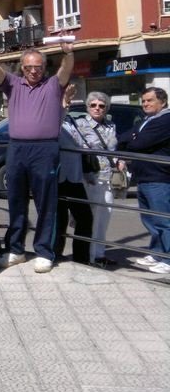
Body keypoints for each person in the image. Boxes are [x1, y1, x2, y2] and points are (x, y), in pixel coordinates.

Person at [0, 29, 73, 273]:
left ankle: (44, 252)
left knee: (46, 203)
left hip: (45, 149)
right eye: (29, 67)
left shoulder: (52, 85)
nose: (34, 71)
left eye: (38, 67)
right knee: (16, 201)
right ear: (22, 67)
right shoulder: (13, 84)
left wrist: (68, 53)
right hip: (17, 148)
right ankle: (15, 250)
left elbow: (65, 71)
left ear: (44, 68)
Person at [119, 87, 170, 275]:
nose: (145, 104)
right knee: (149, 219)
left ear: (162, 102)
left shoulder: (166, 120)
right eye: (144, 101)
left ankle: (168, 258)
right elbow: (124, 138)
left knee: (163, 220)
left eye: (150, 100)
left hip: (159, 177)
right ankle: (157, 252)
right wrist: (134, 138)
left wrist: (135, 139)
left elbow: (138, 143)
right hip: (144, 176)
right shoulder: (148, 120)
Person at [74, 92, 120, 267]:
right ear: (87, 107)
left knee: (104, 217)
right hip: (90, 177)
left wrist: (119, 160)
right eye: (93, 105)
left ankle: (99, 255)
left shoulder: (110, 125)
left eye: (101, 105)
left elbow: (113, 149)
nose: (97, 108)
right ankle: (88, 256)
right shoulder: (80, 124)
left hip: (108, 177)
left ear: (106, 108)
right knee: (90, 218)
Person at [53, 86, 93, 266]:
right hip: (59, 176)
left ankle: (81, 258)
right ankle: (54, 254)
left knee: (84, 218)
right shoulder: (53, 117)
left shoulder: (71, 119)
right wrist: (64, 101)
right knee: (58, 219)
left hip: (74, 176)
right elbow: (55, 122)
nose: (68, 102)